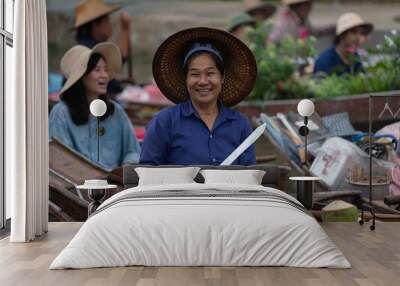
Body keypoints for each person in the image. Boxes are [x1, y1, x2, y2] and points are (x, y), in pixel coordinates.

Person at [139, 27, 257, 165]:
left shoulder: (240, 124)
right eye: (195, 74)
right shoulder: (165, 122)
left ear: (222, 77)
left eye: (210, 73)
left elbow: (250, 174)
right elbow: (147, 170)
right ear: (185, 78)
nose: (202, 82)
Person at [49, 43, 141, 169]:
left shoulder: (116, 111)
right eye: (97, 70)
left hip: (115, 185)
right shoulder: (61, 113)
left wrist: (125, 170)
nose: (105, 75)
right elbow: (61, 160)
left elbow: (133, 151)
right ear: (81, 77)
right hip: (75, 186)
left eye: (106, 70)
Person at [73, 0, 133, 93]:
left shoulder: (85, 43)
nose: (110, 25)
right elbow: (119, 60)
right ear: (95, 25)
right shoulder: (90, 49)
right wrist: (125, 29)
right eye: (107, 21)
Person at [269, 0, 335, 43]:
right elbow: (272, 41)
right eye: (309, 5)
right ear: (300, 6)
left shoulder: (301, 18)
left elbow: (313, 33)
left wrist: (333, 28)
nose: (311, 8)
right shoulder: (284, 21)